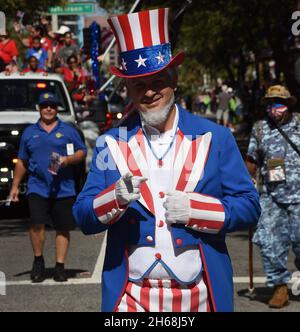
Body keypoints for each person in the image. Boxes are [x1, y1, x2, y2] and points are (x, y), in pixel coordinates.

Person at [73, 8, 260, 312]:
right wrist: (114, 199)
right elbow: (82, 215)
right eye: (138, 85)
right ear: (128, 90)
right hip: (130, 298)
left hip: (199, 296)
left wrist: (198, 209)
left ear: (174, 79)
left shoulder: (216, 138)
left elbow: (250, 206)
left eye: (157, 81)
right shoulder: (111, 143)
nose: (149, 92)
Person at [9, 92, 86, 283]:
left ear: (57, 108)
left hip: (64, 188)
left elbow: (82, 152)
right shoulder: (29, 132)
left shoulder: (68, 130)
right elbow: (22, 161)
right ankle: (38, 261)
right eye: (45, 106)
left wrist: (67, 160)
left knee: (62, 227)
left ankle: (60, 266)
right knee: (36, 224)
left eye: (52, 105)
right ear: (39, 109)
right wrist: (15, 187)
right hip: (37, 186)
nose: (49, 109)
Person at [246, 85, 300, 309]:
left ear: (288, 105)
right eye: (270, 103)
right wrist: (246, 184)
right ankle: (280, 287)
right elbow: (251, 159)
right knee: (270, 243)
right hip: (271, 197)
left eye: (278, 103)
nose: (273, 108)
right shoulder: (260, 129)